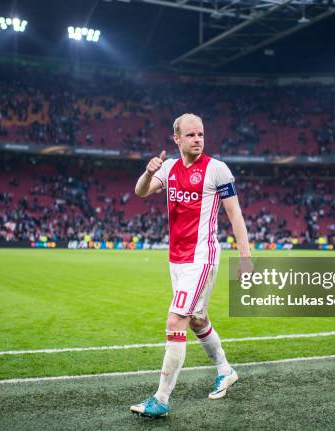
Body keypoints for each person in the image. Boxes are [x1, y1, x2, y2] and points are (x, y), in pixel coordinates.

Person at [131, 113, 252, 418]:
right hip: (176, 260)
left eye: (201, 134)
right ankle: (226, 370)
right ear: (177, 139)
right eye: (191, 135)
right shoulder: (169, 168)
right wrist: (148, 172)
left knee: (176, 321)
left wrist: (245, 258)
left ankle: (161, 399)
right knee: (197, 319)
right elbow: (141, 191)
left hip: (202, 258)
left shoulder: (217, 169)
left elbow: (235, 216)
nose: (198, 139)